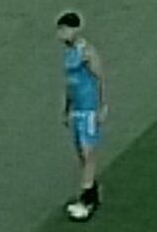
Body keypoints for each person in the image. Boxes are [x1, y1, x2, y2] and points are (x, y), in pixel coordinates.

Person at [58, 14, 106, 221]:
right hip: (77, 110)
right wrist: (66, 108)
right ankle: (93, 192)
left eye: (63, 29)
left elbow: (99, 77)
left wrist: (102, 106)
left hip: (88, 110)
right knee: (81, 153)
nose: (60, 34)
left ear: (74, 29)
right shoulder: (69, 54)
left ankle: (86, 200)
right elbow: (70, 84)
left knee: (88, 154)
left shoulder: (86, 51)